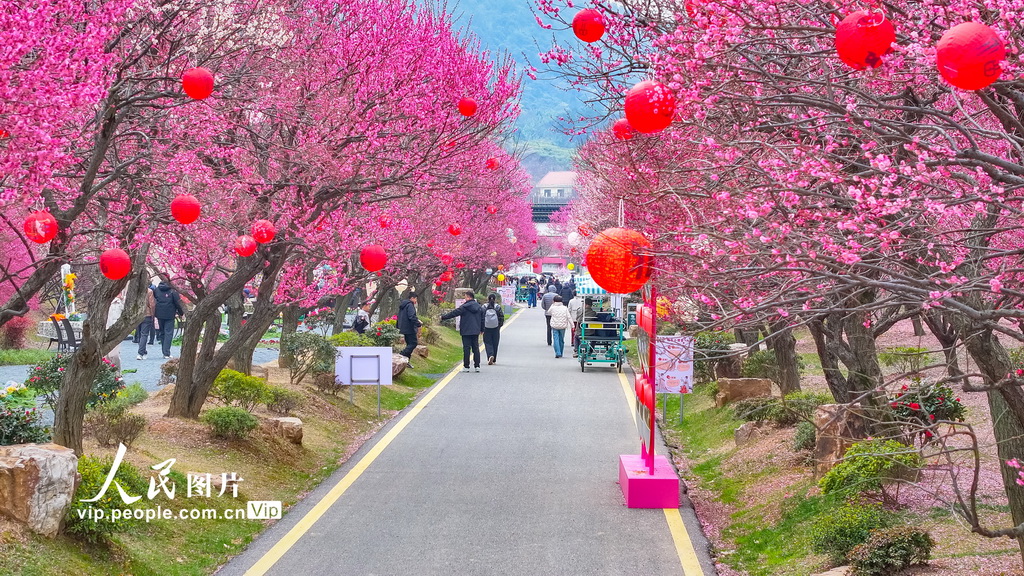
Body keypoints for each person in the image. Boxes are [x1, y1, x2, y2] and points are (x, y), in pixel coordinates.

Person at [441, 292, 485, 372]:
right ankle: (477, 366)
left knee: (466, 348)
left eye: (465, 297)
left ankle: (466, 366)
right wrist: (482, 329)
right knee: (475, 348)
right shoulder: (479, 307)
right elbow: (482, 319)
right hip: (475, 330)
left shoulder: (464, 307)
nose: (465, 299)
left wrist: (443, 317)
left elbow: (454, 313)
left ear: (468, 297)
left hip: (466, 330)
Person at [153, 280, 185, 359]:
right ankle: (166, 352)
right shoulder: (172, 291)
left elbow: (154, 300)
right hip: (170, 314)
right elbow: (178, 303)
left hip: (159, 313)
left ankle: (164, 350)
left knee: (162, 332)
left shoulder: (156, 290)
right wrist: (181, 313)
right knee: (168, 333)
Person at [397, 293, 422, 367]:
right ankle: (401, 355)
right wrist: (418, 324)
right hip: (410, 328)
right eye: (415, 299)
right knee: (413, 343)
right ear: (412, 298)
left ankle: (406, 361)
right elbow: (411, 317)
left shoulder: (404, 305)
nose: (416, 301)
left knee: (409, 344)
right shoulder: (410, 305)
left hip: (404, 327)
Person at [482, 293, 504, 365]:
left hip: (486, 327)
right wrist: (499, 326)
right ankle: (494, 359)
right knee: (495, 343)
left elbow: (481, 317)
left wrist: (481, 327)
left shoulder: (484, 307)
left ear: (488, 298)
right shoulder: (497, 307)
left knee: (487, 342)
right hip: (495, 327)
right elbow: (501, 317)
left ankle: (490, 355)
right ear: (495, 299)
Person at [136, 284, 156, 359]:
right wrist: (153, 315)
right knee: (144, 334)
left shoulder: (136, 291)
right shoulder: (149, 291)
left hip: (137, 314)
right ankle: (140, 353)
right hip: (146, 314)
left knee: (139, 333)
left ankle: (143, 351)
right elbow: (152, 304)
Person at [567, 291, 585, 358]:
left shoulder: (571, 301)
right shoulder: (582, 300)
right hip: (580, 317)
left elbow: (569, 309)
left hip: (573, 316)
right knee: (579, 330)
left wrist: (568, 317)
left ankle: (573, 342)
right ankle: (579, 342)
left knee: (573, 330)